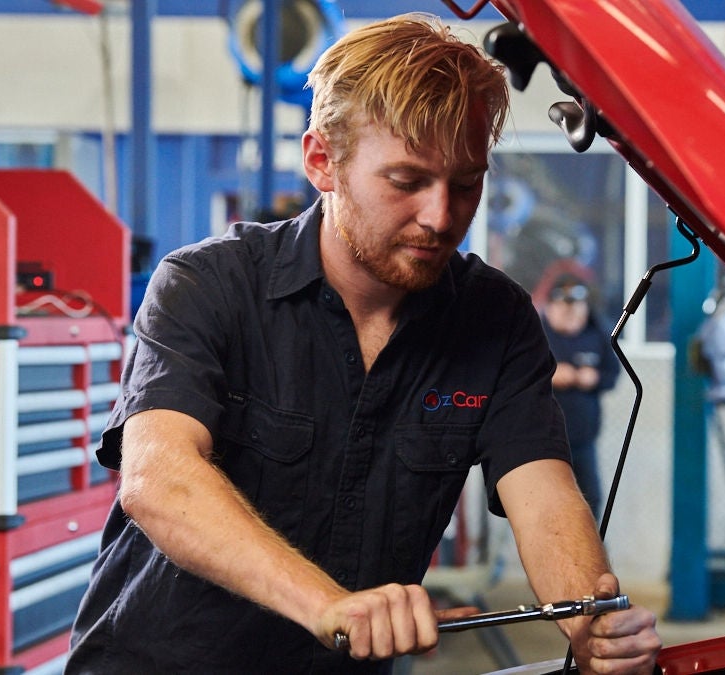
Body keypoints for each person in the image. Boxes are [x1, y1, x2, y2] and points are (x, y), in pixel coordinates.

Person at [66, 14, 659, 675]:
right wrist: (328, 605)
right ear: (323, 160)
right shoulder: (209, 284)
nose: (440, 217)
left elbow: (545, 495)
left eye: (465, 183)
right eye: (406, 181)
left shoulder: (497, 319)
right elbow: (158, 478)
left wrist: (590, 622)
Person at [541, 273, 620, 520]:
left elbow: (612, 374)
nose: (571, 313)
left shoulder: (596, 333)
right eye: (564, 308)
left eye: (576, 308)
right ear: (551, 308)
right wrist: (548, 375)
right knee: (548, 503)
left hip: (583, 438)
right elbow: (511, 376)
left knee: (589, 499)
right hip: (540, 440)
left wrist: (593, 378)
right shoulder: (535, 335)